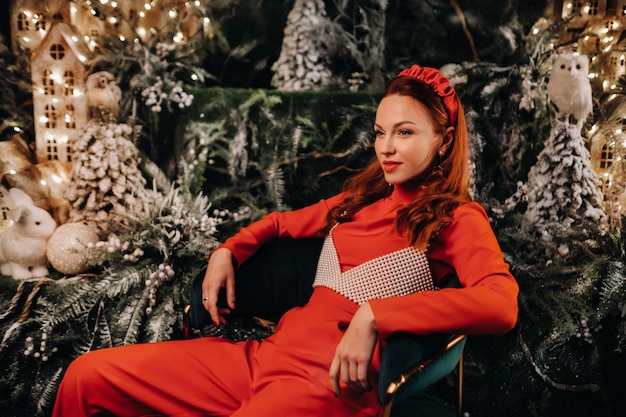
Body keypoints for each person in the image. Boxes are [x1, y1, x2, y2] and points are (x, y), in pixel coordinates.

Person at [51, 64, 519, 417]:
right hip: (265, 357)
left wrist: (377, 314)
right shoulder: (359, 201)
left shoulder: (456, 217)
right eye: (380, 132)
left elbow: (501, 306)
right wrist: (226, 250)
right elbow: (279, 223)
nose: (386, 148)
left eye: (405, 132)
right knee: (85, 377)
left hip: (328, 385)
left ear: (443, 140)